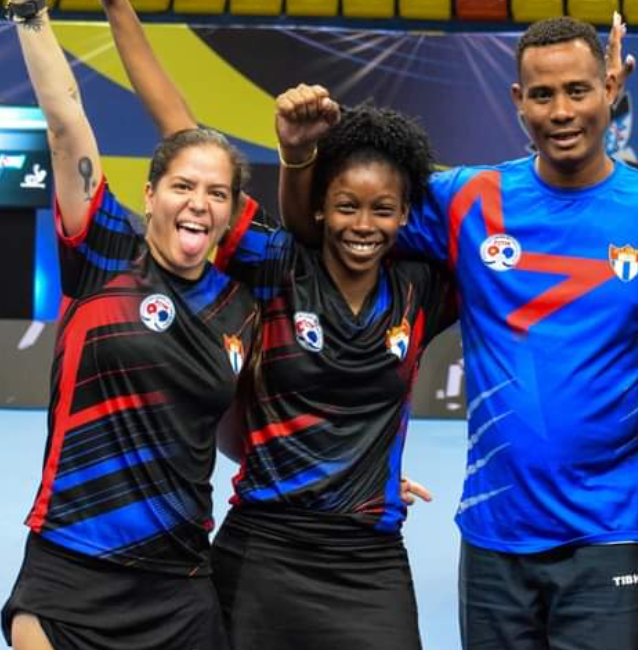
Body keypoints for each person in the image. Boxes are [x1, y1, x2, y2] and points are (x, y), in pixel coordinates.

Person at [277, 15, 638, 650]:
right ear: (518, 102)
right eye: (542, 95)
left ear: (611, 88)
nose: (561, 111)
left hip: (617, 534)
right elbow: (318, 227)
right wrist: (298, 156)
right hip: (495, 532)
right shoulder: (467, 198)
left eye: (578, 90)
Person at [94, 3, 453, 648]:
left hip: (369, 561)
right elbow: (182, 132)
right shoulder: (276, 265)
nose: (363, 225)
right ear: (320, 207)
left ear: (405, 215)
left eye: (382, 210)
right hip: (263, 549)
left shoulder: (421, 287)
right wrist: (119, 9)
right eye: (346, 206)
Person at [1, 3, 256, 649]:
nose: (198, 203)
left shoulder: (240, 308)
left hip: (179, 583)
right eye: (182, 185)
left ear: (231, 214)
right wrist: (29, 16)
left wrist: (352, 465)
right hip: (70, 571)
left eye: (217, 193)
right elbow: (66, 127)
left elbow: (243, 432)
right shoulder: (106, 250)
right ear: (149, 194)